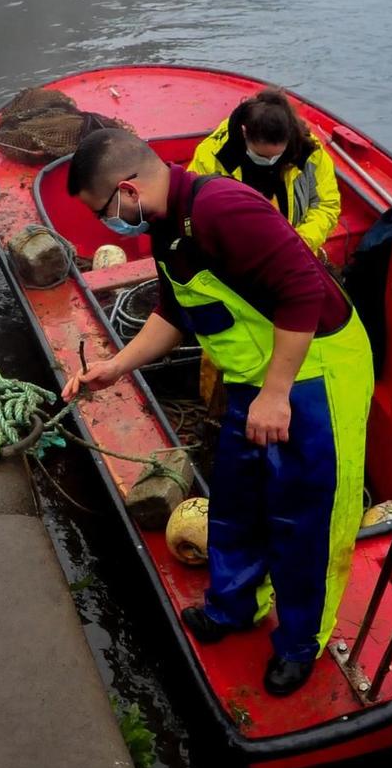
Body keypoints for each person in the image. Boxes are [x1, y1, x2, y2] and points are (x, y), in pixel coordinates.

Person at [60, 127, 371, 697]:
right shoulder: (165, 229)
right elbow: (175, 310)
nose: (109, 224)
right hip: (258, 375)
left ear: (127, 189)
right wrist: (115, 367)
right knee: (239, 495)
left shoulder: (224, 208)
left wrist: (277, 394)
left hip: (317, 369)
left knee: (310, 517)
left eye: (104, 210)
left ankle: (302, 643)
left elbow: (303, 288)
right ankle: (236, 606)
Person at [187, 87, 341, 255]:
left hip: (295, 249)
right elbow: (195, 212)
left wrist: (301, 241)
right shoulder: (212, 156)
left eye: (277, 156)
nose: (269, 162)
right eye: (261, 155)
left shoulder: (310, 152)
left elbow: (326, 206)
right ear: (244, 132)